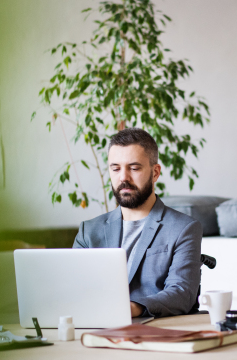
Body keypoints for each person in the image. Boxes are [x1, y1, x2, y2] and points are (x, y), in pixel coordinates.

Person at [73, 128, 203, 317]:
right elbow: (74, 289)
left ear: (155, 173)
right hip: (95, 325)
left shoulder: (184, 228)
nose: (123, 177)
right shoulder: (88, 231)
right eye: (115, 169)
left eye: (134, 168)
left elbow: (181, 292)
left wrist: (133, 308)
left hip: (154, 329)